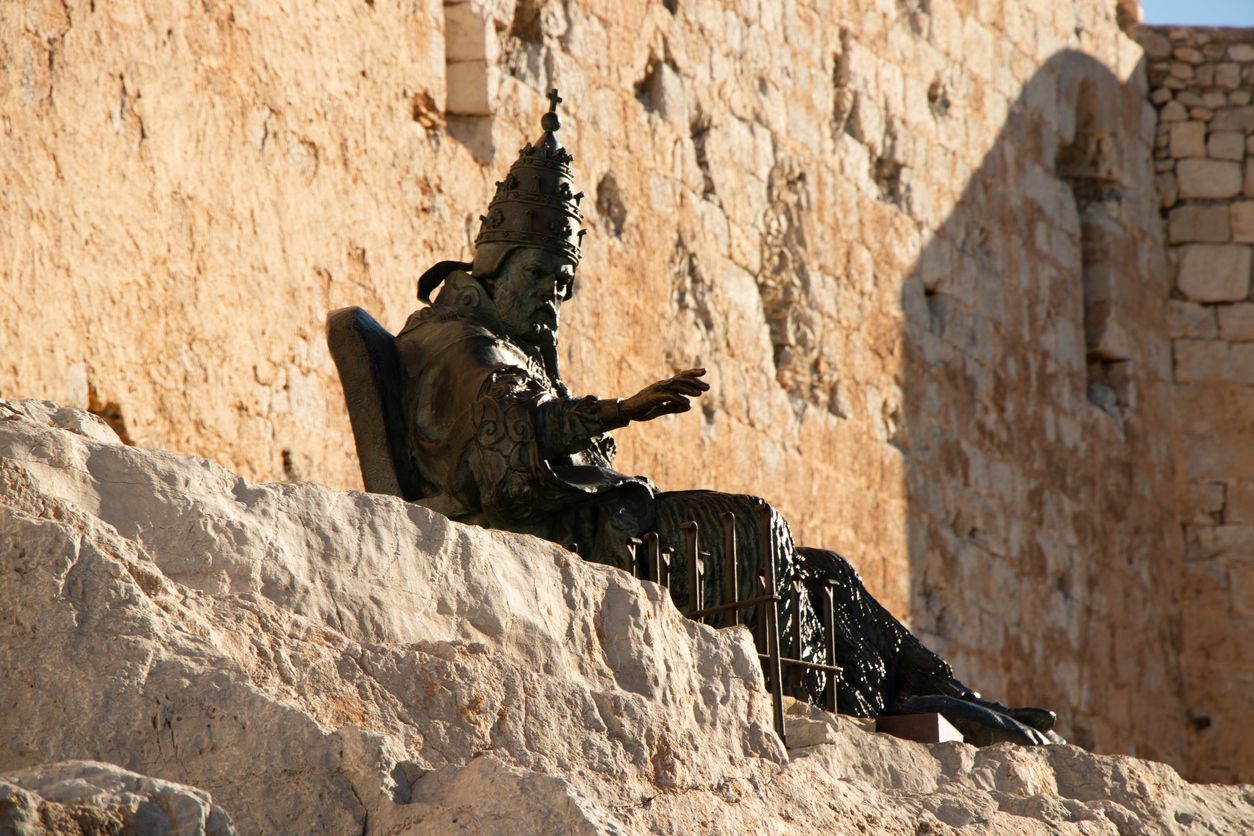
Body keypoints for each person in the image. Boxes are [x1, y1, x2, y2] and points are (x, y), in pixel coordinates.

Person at [335, 91, 1059, 746]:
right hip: (564, 537)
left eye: (562, 285)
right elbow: (517, 441)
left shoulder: (499, 340)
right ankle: (833, 699)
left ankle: (939, 691)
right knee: (752, 527)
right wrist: (622, 411)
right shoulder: (462, 346)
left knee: (825, 569)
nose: (551, 300)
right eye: (541, 280)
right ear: (495, 265)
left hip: (593, 523)